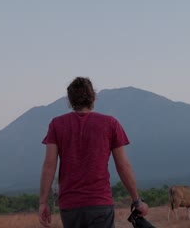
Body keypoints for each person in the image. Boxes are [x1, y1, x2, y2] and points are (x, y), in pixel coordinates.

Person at [39, 77, 149, 228]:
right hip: (100, 203)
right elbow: (123, 166)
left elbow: (49, 166)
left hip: (70, 206)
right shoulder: (110, 124)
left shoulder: (57, 124)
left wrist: (43, 203)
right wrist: (137, 201)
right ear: (93, 97)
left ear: (70, 100)